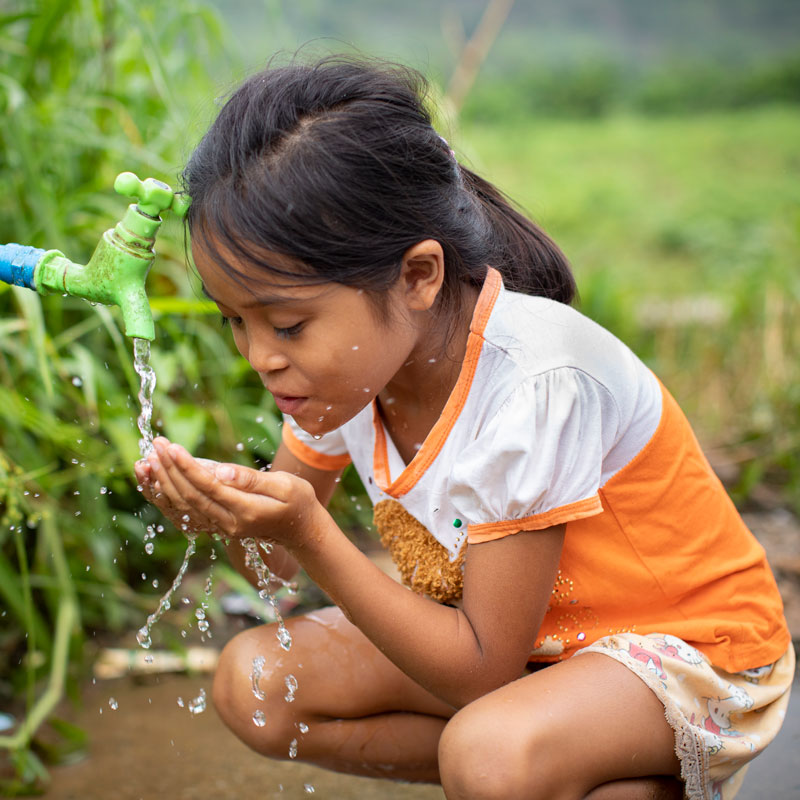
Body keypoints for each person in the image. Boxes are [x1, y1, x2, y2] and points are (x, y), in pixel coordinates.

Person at [133, 55, 793, 800]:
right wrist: (223, 508)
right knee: (256, 683)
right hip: (536, 651)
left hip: (691, 656)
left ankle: (582, 768)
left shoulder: (537, 384)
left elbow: (481, 667)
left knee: (489, 756)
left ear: (418, 275)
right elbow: (271, 566)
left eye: (286, 323)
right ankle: (568, 765)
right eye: (236, 323)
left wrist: (308, 531)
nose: (259, 357)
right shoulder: (343, 376)